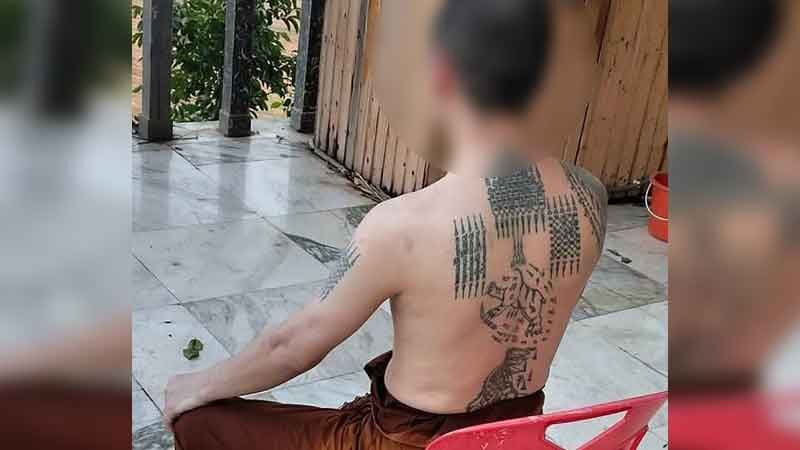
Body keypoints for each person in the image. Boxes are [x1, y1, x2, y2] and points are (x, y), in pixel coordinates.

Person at [165, 1, 607, 449]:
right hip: (514, 437)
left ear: (441, 76)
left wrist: (196, 386)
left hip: (406, 443)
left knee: (200, 420)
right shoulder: (591, 197)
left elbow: (292, 346)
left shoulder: (402, 228)